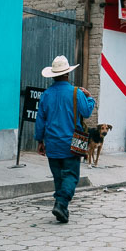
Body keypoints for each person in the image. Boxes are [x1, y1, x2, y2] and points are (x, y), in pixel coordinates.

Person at [34, 55, 94, 224]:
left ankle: (62, 208)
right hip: (72, 142)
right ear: (68, 74)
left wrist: (40, 141)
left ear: (53, 75)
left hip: (52, 143)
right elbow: (87, 112)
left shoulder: (46, 94)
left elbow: (40, 120)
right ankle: (61, 203)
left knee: (58, 177)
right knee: (71, 176)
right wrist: (90, 98)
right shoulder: (76, 93)